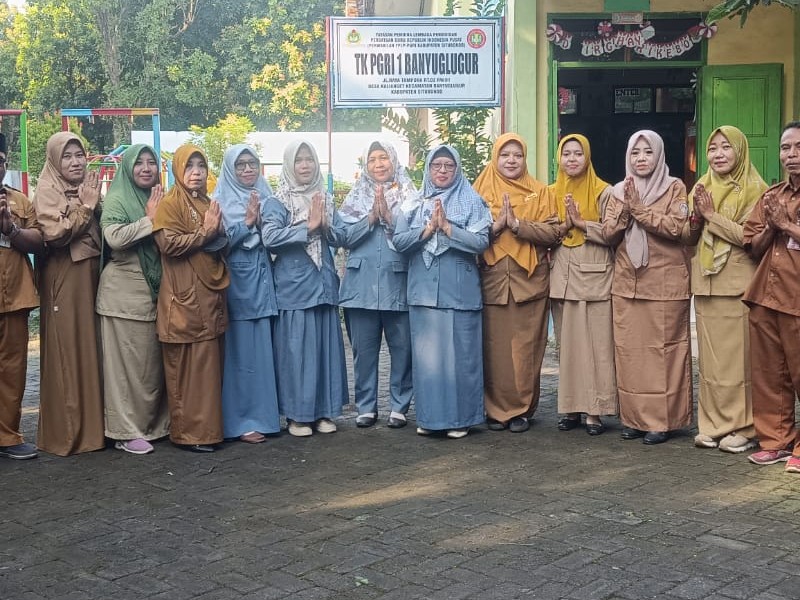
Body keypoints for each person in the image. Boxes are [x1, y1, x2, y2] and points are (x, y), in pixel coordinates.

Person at [393, 145, 492, 439]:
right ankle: (430, 419)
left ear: (457, 169)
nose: (443, 170)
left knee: (462, 358)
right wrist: (426, 231)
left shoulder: (472, 201)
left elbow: (481, 242)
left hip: (460, 290)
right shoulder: (413, 203)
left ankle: (461, 419)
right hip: (423, 291)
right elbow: (399, 241)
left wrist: (448, 228)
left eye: (449, 165)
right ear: (428, 169)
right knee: (428, 361)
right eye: (436, 165)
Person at [601, 130, 692, 445]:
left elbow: (677, 228)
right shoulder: (618, 191)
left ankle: (662, 421)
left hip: (665, 284)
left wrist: (640, 210)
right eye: (635, 152)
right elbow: (608, 234)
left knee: (664, 353)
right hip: (628, 284)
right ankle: (635, 419)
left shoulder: (674, 187)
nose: (641, 158)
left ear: (659, 154)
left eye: (648, 152)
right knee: (630, 354)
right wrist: (627, 210)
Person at [683, 127, 766, 453]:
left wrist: (711, 216)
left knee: (739, 362)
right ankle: (712, 425)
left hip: (737, 285)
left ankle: (744, 427)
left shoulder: (756, 190)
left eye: (726, 147)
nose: (718, 154)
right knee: (711, 364)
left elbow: (749, 238)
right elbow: (689, 238)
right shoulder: (701, 186)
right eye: (713, 148)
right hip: (706, 283)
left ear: (740, 151)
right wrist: (695, 220)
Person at [474, 133, 559, 433]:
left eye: (518, 155)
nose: (511, 161)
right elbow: (467, 234)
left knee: (526, 350)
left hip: (530, 281)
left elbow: (554, 233)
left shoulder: (540, 192)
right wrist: (496, 228)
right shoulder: (478, 190)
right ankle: (494, 410)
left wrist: (519, 226)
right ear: (495, 157)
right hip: (492, 281)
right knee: (494, 349)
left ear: (525, 159)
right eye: (505, 155)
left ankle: (522, 410)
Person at [261, 140, 348, 437]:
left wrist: (325, 226)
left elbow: (340, 236)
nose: (305, 165)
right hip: (294, 287)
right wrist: (308, 227)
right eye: (299, 160)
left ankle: (324, 411)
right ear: (289, 164)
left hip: (323, 284)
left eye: (310, 159)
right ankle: (297, 416)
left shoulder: (325, 197)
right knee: (296, 352)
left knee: (324, 351)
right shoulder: (278, 200)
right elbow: (270, 237)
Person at [152, 144, 229, 453]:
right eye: (190, 166)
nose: (196, 172)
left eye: (201, 166)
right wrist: (206, 234)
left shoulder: (206, 202)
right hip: (183, 298)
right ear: (177, 170)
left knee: (208, 369)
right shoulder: (170, 204)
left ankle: (209, 432)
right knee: (187, 370)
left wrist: (218, 233)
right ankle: (188, 434)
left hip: (208, 297)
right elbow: (168, 244)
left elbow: (218, 240)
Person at [33, 132, 105, 456]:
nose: (76, 162)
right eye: (67, 156)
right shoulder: (47, 190)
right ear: (54, 160)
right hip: (64, 277)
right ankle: (68, 434)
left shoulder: (87, 187)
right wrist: (86, 207)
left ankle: (94, 430)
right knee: (68, 350)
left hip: (91, 276)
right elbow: (55, 234)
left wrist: (94, 203)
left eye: (80, 155)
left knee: (89, 348)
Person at [97, 144, 169, 455]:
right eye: (139, 163)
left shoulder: (158, 196)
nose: (146, 168)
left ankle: (152, 426)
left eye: (151, 162)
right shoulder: (117, 198)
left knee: (149, 369)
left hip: (152, 295)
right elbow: (113, 238)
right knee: (124, 371)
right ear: (127, 167)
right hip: (122, 297)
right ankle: (124, 432)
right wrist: (149, 219)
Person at [339, 141, 415, 429]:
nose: (379, 164)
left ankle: (399, 407)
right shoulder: (356, 196)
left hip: (398, 282)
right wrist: (371, 218)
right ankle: (366, 407)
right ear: (365, 165)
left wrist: (391, 219)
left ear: (394, 161)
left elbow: (417, 237)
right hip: (361, 286)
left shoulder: (410, 195)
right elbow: (342, 237)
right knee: (363, 351)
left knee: (403, 348)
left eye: (384, 157)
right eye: (372, 159)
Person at [549, 134, 617, 435]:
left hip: (595, 275)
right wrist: (561, 226)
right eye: (567, 154)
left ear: (587, 157)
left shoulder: (605, 192)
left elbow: (615, 233)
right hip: (562, 277)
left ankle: (595, 412)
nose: (572, 159)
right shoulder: (550, 192)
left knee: (597, 346)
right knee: (567, 348)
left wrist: (581, 223)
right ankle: (571, 409)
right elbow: (544, 232)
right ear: (559, 158)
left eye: (578, 153)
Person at [742, 121, 800, 472]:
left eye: (798, 147)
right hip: (766, 295)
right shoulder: (772, 196)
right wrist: (771, 225)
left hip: (797, 296)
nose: (791, 154)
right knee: (769, 375)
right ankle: (776, 441)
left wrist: (788, 225)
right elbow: (752, 246)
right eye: (785, 148)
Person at [213, 144, 280, 443]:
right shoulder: (219, 201)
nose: (248, 169)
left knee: (263, 354)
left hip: (265, 283)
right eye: (240, 165)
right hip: (239, 285)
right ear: (230, 169)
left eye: (252, 163)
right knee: (241, 356)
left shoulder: (267, 194)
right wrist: (247, 223)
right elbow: (217, 245)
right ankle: (241, 422)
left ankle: (265, 417)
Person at [0, 134, 45, 460]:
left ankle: (7, 436)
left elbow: (40, 241)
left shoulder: (19, 201)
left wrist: (10, 230)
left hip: (15, 297)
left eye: (1, 161)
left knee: (12, 371)